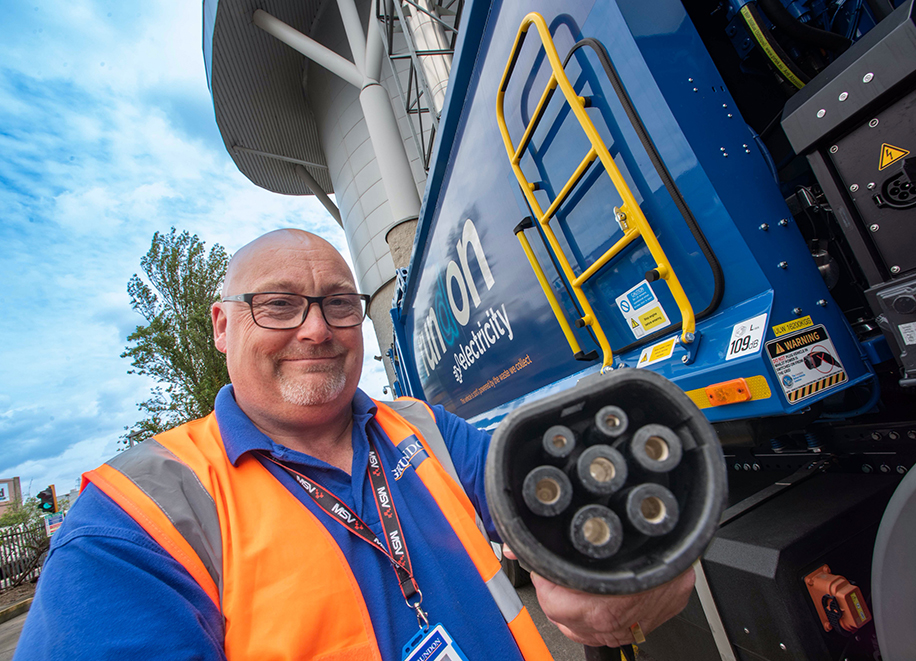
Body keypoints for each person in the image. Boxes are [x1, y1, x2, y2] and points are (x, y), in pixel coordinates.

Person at [16, 229, 694, 660]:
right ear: (222, 327)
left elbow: (566, 503)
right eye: (278, 305)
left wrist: (645, 566)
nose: (316, 329)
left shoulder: (422, 429)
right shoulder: (131, 518)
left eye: (339, 303)